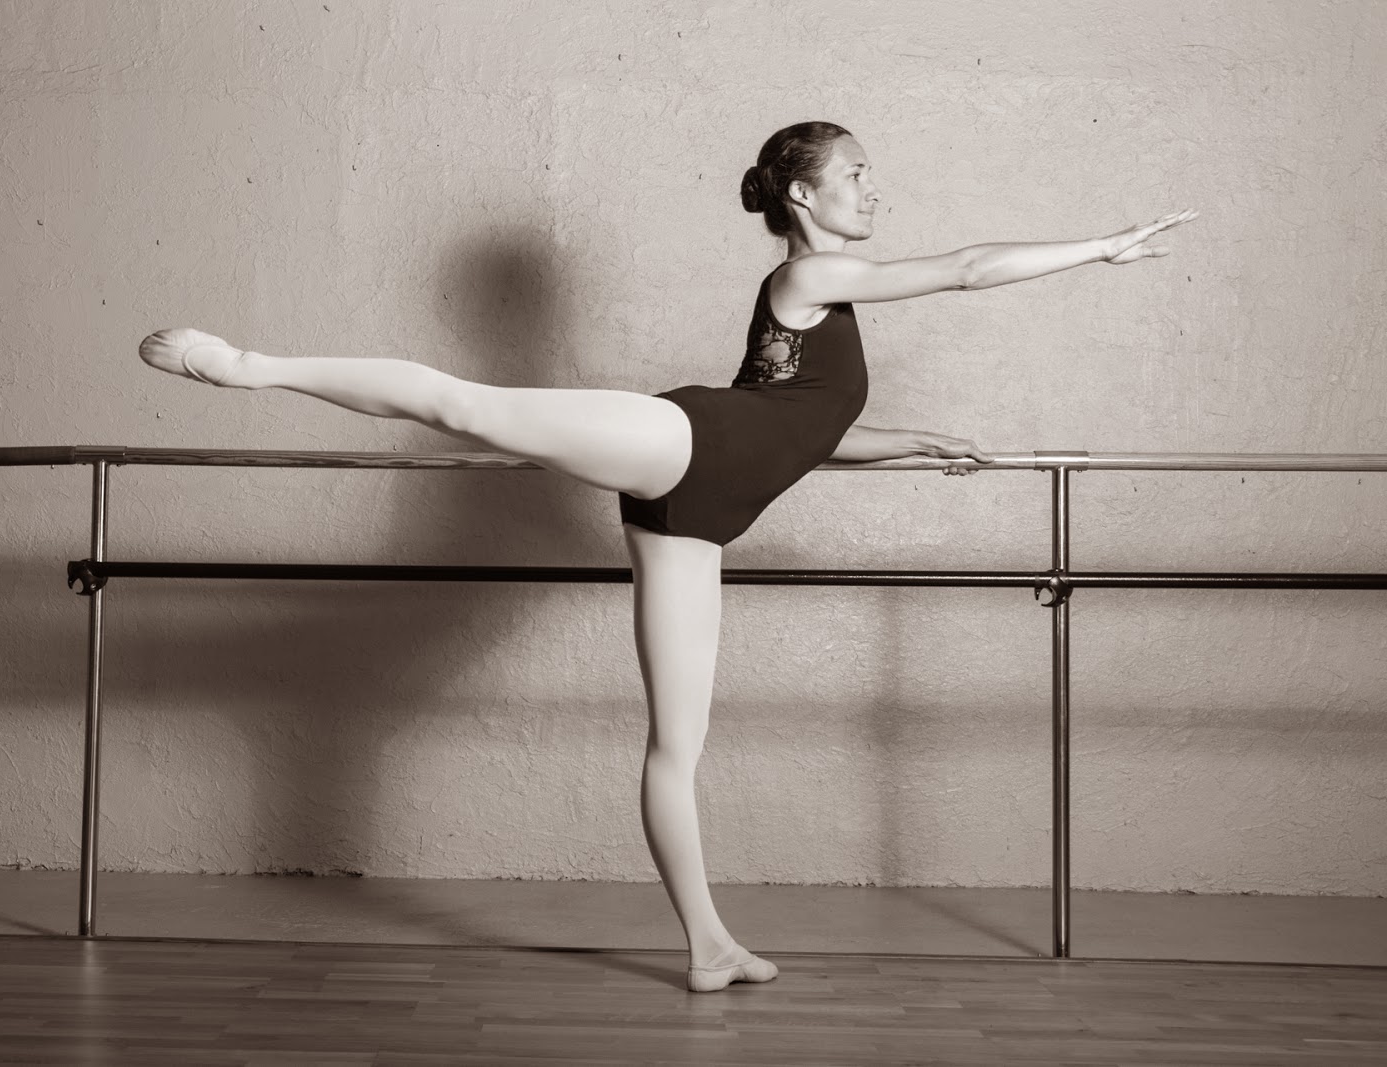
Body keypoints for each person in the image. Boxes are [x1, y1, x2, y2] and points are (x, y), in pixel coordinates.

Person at [139, 120, 1197, 992]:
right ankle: (247, 366)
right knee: (472, 408)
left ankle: (707, 945)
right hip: (685, 444)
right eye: (856, 174)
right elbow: (965, 271)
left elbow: (794, 419)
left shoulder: (814, 303)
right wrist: (1098, 248)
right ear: (803, 195)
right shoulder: (813, 273)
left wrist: (904, 440)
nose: (874, 188)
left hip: (698, 515)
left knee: (676, 743)